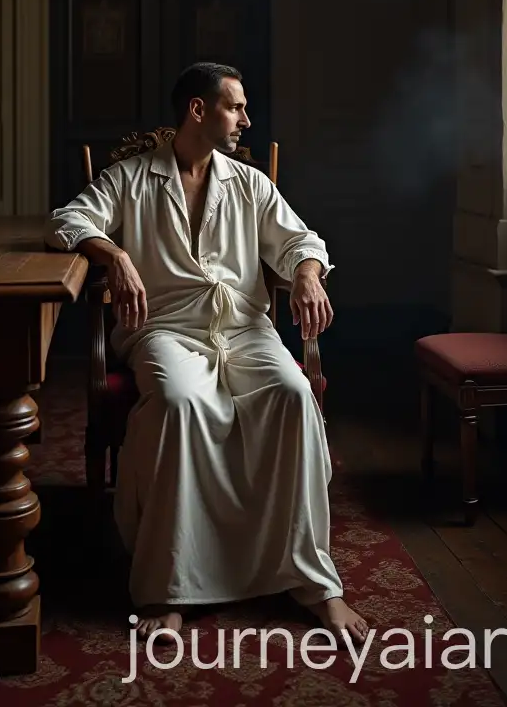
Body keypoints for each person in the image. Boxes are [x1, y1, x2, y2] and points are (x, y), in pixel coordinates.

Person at [44, 62, 368, 645]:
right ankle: (169, 586)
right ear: (198, 109)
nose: (246, 118)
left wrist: (310, 275)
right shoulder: (130, 178)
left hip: (245, 328)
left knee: (294, 396)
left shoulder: (250, 184)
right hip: (165, 329)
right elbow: (67, 221)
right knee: (177, 402)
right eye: (235, 107)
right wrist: (114, 256)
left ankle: (314, 582)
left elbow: (299, 240)